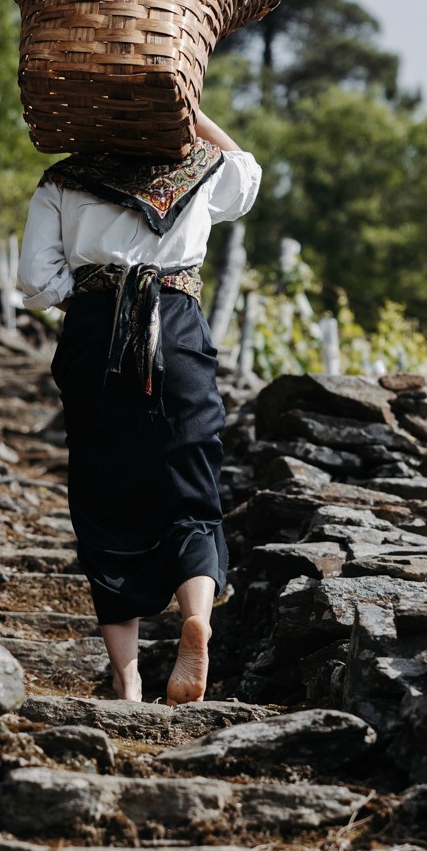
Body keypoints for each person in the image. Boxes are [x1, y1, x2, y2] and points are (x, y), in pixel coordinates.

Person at [17, 110, 261, 704]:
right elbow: (248, 175)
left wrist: (98, 305)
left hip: (96, 333)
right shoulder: (198, 169)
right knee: (192, 487)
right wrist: (192, 110)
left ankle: (127, 680)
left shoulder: (63, 180)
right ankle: (194, 618)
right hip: (176, 331)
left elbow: (36, 279)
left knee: (105, 496)